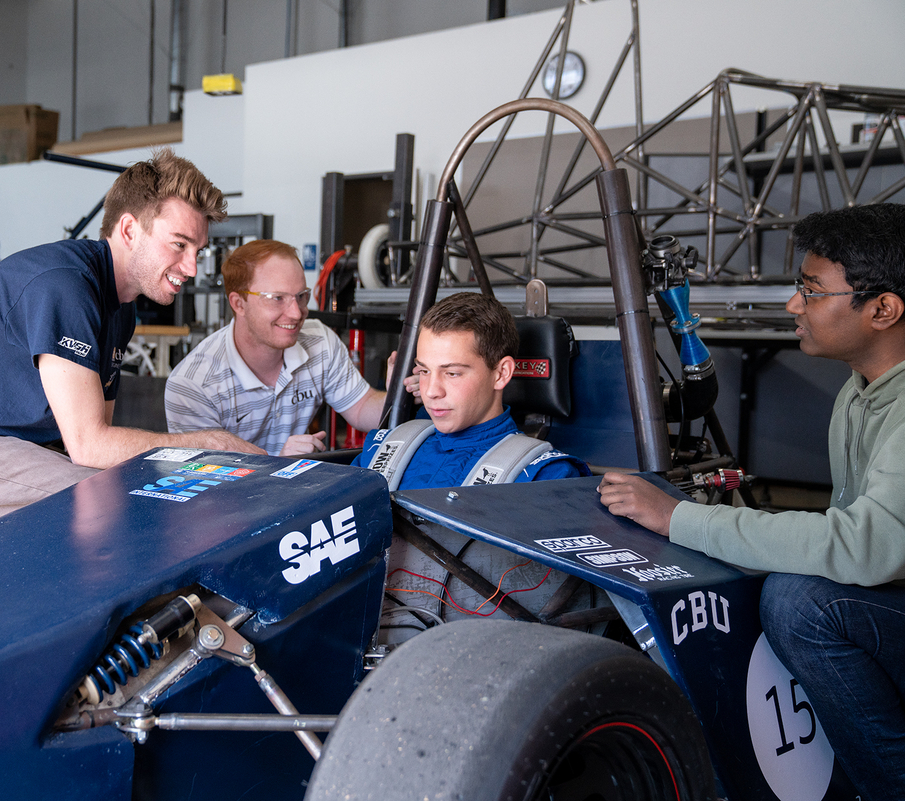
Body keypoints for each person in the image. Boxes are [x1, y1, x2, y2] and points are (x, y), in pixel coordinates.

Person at [598, 203, 905, 799]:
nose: (794, 305)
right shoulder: (858, 394)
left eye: (811, 291)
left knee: (800, 604)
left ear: (883, 309)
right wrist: (733, 528)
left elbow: (866, 549)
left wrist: (685, 519)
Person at [0, 149, 261, 524]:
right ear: (130, 230)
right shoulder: (65, 286)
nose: (192, 267)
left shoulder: (119, 308)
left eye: (198, 251)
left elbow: (99, 441)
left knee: (125, 484)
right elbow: (89, 445)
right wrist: (208, 445)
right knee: (109, 505)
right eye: (180, 245)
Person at [164, 239, 388, 456]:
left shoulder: (319, 342)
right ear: (238, 303)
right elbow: (204, 479)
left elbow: (361, 408)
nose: (297, 313)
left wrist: (403, 391)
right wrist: (277, 463)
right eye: (277, 298)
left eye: (301, 296)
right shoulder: (192, 385)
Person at [354, 292, 588, 490]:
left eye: (452, 373)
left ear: (501, 373)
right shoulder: (383, 448)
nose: (432, 392)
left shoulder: (544, 476)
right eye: (424, 371)